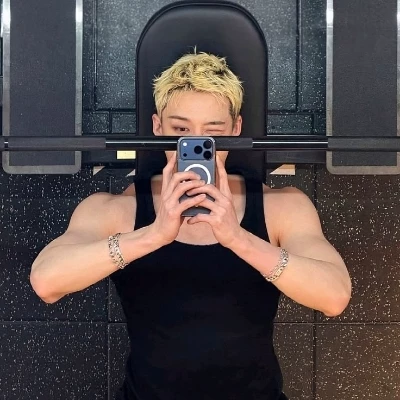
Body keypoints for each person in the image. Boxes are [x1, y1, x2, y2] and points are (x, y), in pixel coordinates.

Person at [30, 52, 351, 400]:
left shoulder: (282, 207)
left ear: (236, 129)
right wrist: (153, 235)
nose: (196, 144)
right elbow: (47, 282)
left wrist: (238, 238)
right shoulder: (116, 209)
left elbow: (334, 297)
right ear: (157, 127)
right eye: (181, 130)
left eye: (213, 132)